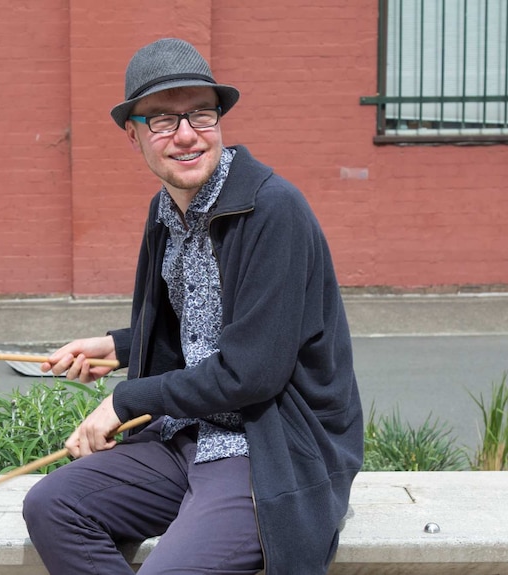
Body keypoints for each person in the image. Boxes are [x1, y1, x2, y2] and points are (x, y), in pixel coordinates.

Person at [23, 37, 363, 574]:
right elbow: (202, 327)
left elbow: (251, 371)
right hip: (189, 435)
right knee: (52, 505)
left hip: (267, 445)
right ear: (132, 135)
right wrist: (119, 346)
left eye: (200, 114)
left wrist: (126, 400)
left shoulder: (273, 212)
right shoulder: (166, 212)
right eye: (161, 120)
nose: (186, 135)